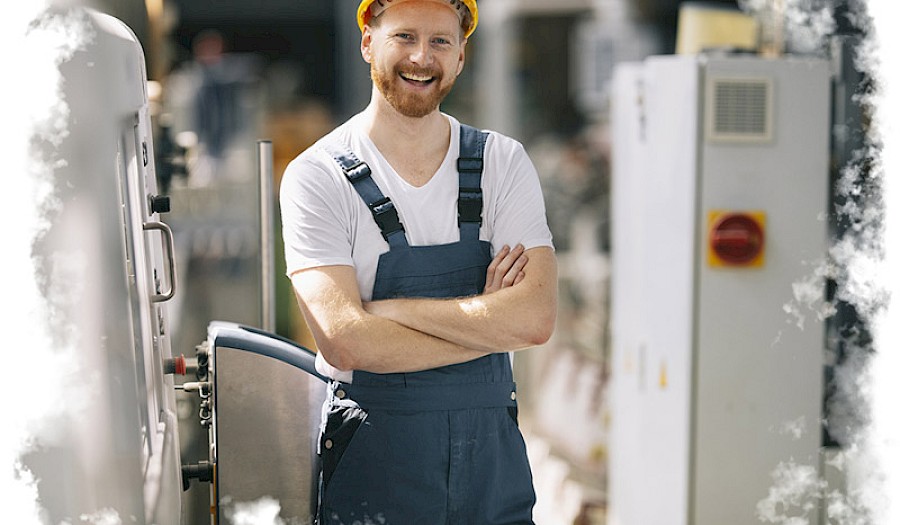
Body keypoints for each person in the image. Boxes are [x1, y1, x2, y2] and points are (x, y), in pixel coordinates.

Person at [279, 0, 557, 522]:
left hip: (492, 476)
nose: (421, 58)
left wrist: (387, 313)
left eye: (440, 42)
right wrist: (488, 323)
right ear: (368, 43)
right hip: (375, 475)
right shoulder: (316, 177)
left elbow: (535, 319)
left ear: (460, 57)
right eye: (404, 36)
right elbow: (345, 339)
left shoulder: (503, 162)